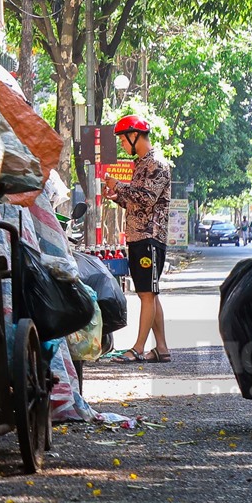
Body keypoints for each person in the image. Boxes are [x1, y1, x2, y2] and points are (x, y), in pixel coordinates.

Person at [105, 114, 172, 363]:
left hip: (150, 238)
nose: (122, 145)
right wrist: (118, 196)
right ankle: (162, 348)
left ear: (135, 136)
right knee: (150, 293)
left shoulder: (157, 164)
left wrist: (119, 185)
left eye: (123, 139)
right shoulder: (141, 164)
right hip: (138, 236)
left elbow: (146, 198)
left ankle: (138, 348)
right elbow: (137, 203)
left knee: (146, 294)